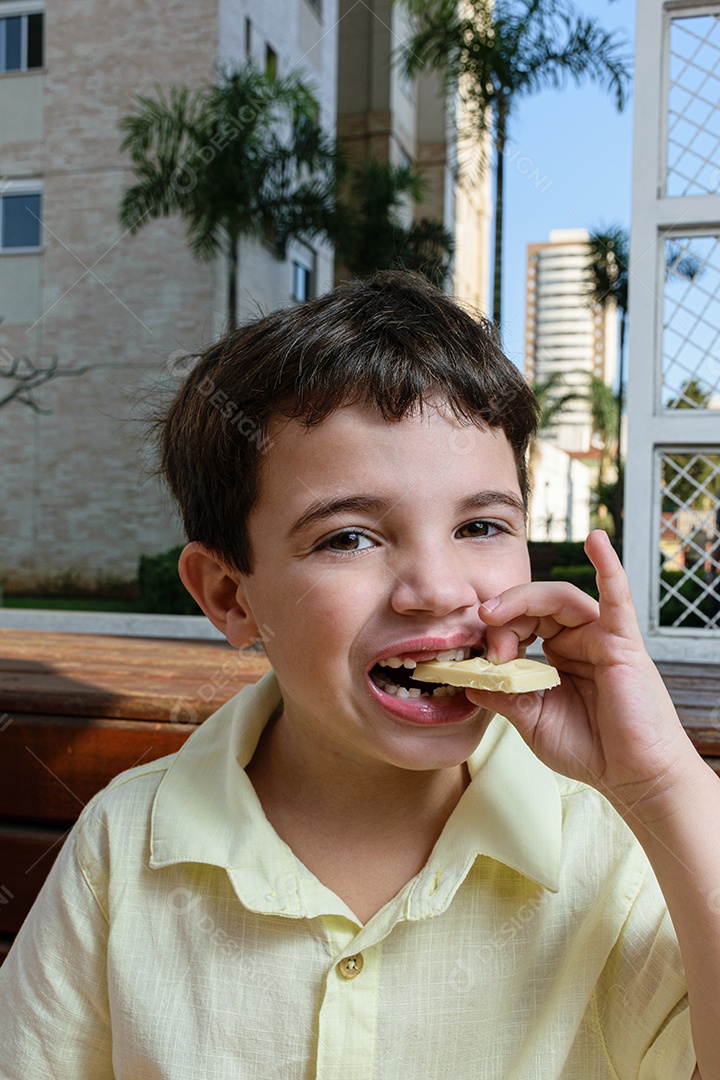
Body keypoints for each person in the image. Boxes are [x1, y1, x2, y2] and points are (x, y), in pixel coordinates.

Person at [0, 273, 717, 1080]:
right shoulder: (120, 848)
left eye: (481, 526)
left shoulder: (623, 850)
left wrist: (663, 783)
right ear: (231, 596)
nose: (438, 590)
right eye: (348, 538)